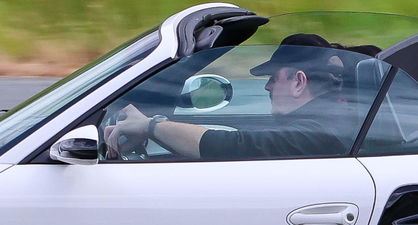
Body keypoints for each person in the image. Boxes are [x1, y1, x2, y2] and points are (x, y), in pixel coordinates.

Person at [106, 35, 370, 160]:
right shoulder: (334, 116)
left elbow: (232, 145)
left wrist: (150, 126)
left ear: (299, 82)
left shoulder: (319, 132)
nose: (267, 88)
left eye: (273, 78)